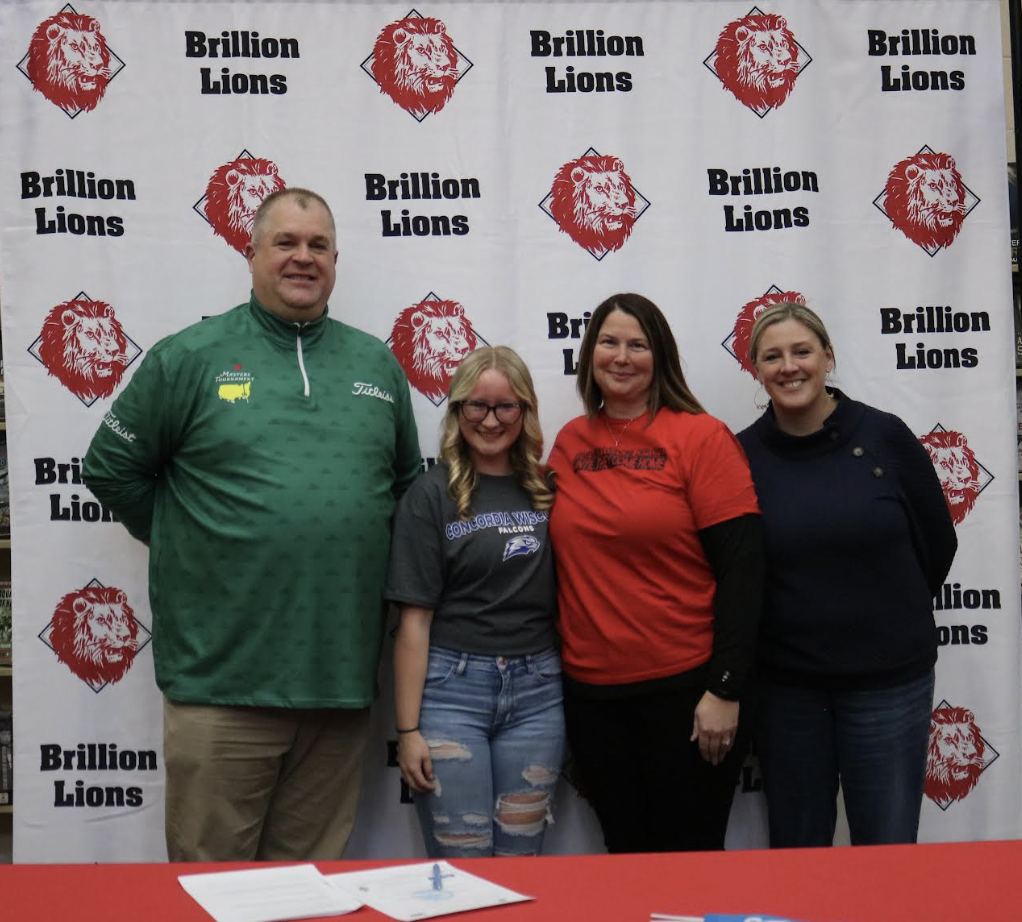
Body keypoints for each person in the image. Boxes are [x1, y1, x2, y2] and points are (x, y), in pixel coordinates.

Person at [82, 188, 421, 861]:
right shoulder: (190, 357)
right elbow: (110, 468)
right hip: (222, 687)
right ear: (251, 254)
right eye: (286, 243)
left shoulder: (376, 366)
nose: (303, 257)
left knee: (309, 894)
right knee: (212, 894)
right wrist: (196, 539)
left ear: (335, 260)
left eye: (318, 245)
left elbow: (407, 494)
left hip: (339, 686)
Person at [548, 292, 763, 853]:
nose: (622, 356)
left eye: (638, 345)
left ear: (660, 355)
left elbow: (743, 569)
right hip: (593, 699)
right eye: (609, 342)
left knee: (688, 866)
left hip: (686, 694)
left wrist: (725, 687)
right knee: (626, 858)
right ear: (589, 353)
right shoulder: (570, 442)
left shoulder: (700, 436)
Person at [736, 301, 957, 848]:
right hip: (788, 693)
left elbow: (937, 543)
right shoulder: (739, 455)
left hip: (889, 685)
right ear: (757, 371)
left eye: (802, 351)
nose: (789, 366)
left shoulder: (885, 437)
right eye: (773, 357)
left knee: (885, 851)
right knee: (799, 851)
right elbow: (736, 569)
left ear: (827, 356)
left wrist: (879, 615)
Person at [386, 345, 564, 858]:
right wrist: (408, 730)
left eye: (505, 406)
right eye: (476, 406)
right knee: (462, 868)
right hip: (451, 693)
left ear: (525, 410)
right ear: (457, 411)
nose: (490, 420)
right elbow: (413, 623)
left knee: (521, 863)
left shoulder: (551, 489)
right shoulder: (430, 494)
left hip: (539, 696)